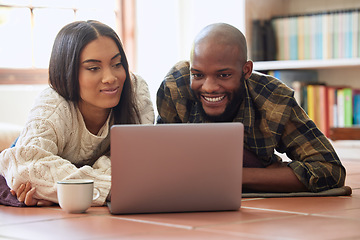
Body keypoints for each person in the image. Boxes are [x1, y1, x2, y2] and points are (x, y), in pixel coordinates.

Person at [156, 23, 346, 193]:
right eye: (198, 75)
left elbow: (330, 169)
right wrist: (270, 175)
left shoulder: (273, 99)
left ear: (246, 70)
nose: (209, 87)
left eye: (223, 75)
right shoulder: (176, 87)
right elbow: (159, 163)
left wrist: (238, 176)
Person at [0, 20, 154, 207]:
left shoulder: (136, 91)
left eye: (117, 64)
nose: (111, 78)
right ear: (67, 72)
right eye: (94, 68)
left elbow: (137, 159)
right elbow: (26, 169)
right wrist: (114, 188)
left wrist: (57, 190)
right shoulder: (52, 105)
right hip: (25, 151)